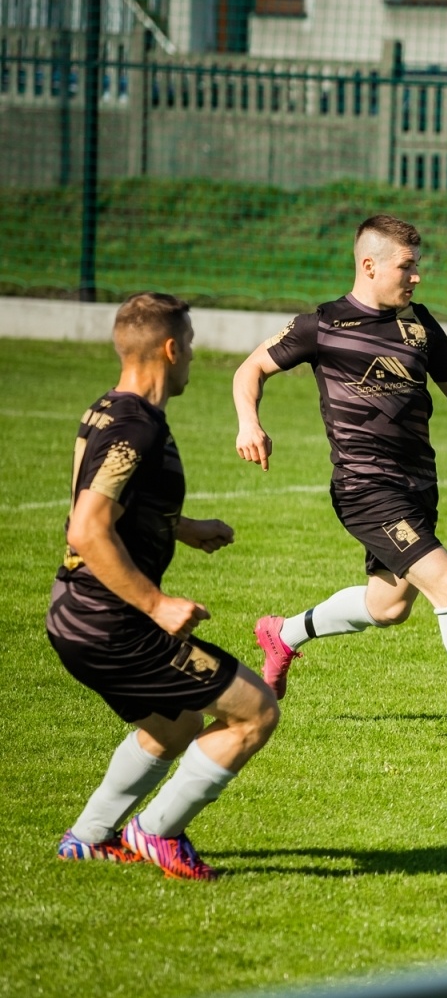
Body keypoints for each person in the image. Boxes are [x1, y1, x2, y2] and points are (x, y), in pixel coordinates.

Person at [232, 215, 447, 747]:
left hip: (417, 486)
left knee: (388, 606)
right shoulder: (321, 325)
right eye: (407, 267)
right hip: (366, 488)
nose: (416, 278)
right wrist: (250, 423)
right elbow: (249, 370)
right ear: (369, 266)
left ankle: (284, 633)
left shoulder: (420, 324)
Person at [50, 293, 280, 881]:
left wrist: (182, 527)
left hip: (74, 612)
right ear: (171, 348)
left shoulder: (108, 410)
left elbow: (105, 503)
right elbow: (87, 525)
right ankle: (156, 834)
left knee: (174, 724)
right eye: (192, 347)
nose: (194, 360)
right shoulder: (138, 427)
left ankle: (89, 837)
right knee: (255, 712)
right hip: (113, 622)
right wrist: (156, 603)